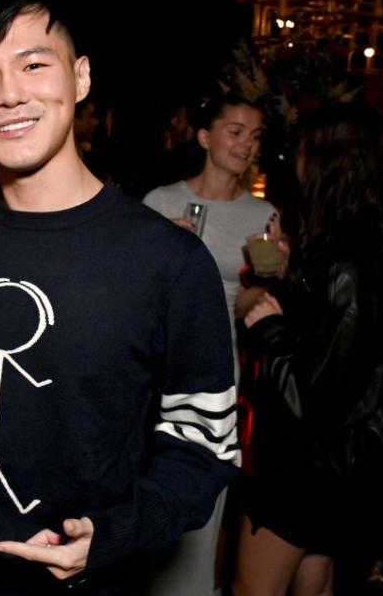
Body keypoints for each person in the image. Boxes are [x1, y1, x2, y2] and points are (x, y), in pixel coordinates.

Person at [0, 0, 238, 595]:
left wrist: (115, 534)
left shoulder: (167, 261)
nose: (9, 93)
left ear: (81, 76)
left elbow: (203, 445)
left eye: (34, 64)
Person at [233, 103, 383, 596]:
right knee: (316, 585)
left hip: (307, 471)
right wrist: (292, 284)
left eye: (307, 150)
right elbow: (345, 351)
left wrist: (267, 328)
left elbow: (315, 399)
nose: (297, 162)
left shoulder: (346, 260)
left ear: (334, 162)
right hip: (350, 471)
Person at [142, 93, 277, 595]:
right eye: (236, 131)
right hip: (155, 369)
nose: (247, 144)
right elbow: (129, 296)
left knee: (202, 497)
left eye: (256, 135)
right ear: (205, 137)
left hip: (219, 369)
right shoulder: (159, 203)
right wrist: (161, 255)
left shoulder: (262, 215)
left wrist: (271, 273)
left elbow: (245, 311)